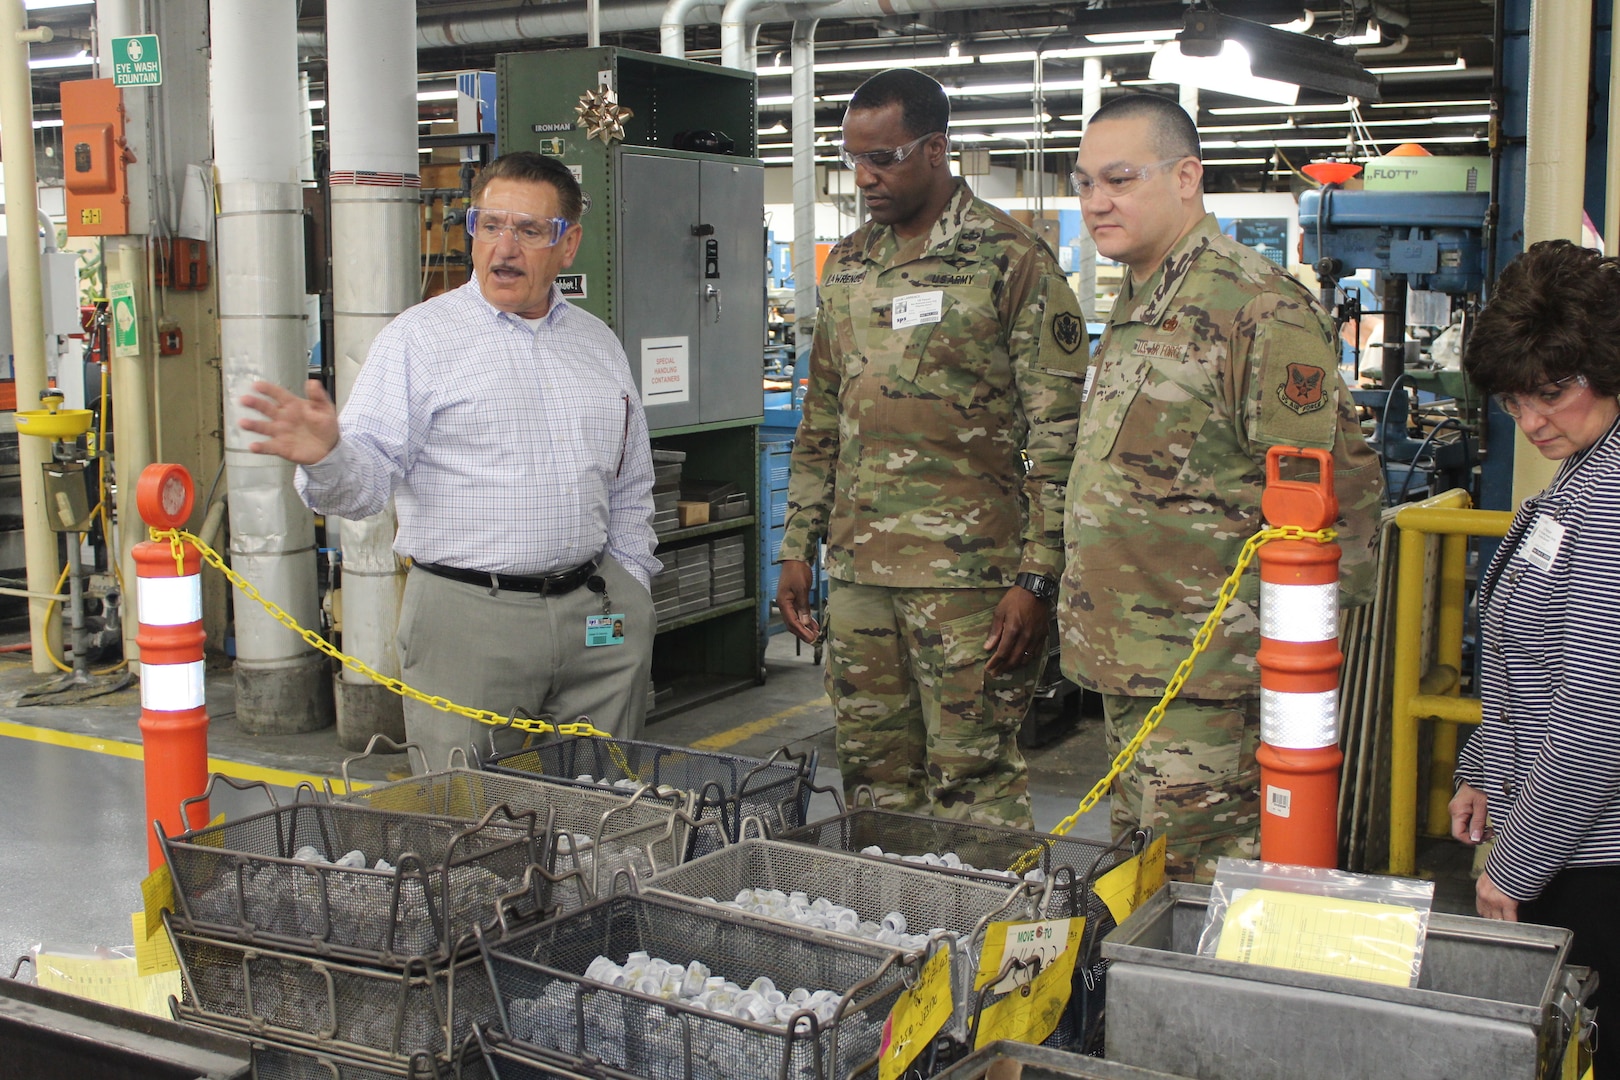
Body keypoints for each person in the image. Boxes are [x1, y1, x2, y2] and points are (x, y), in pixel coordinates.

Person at [239, 151, 660, 771]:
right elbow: (361, 490)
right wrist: (328, 457)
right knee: (468, 820)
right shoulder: (419, 341)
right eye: (489, 225)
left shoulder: (597, 344)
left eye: (529, 230)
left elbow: (631, 483)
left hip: (597, 613)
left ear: (567, 245)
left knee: (603, 806)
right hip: (467, 621)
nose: (504, 247)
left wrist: (633, 588)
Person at [1058, 94, 1384, 882]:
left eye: (1120, 179)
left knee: (1210, 896)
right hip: (1136, 666)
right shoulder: (1140, 301)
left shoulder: (1256, 308)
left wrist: (1289, 675)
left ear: (1186, 178)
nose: (1096, 201)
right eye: (1084, 182)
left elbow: (1330, 503)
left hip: (1211, 683)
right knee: (1143, 887)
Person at [776, 68, 1086, 827]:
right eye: (854, 160)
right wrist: (796, 545)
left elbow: (1058, 440)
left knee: (972, 784)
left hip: (971, 581)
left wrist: (1038, 579)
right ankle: (897, 933)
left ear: (937, 149)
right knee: (873, 775)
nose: (865, 178)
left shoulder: (1011, 261)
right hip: (858, 574)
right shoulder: (847, 264)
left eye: (883, 158)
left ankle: (988, 942)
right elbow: (823, 420)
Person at [1450, 239, 1620, 1073]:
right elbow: (1533, 651)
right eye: (1515, 402)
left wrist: (1514, 867)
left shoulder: (1612, 497)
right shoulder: (1585, 471)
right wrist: (1486, 762)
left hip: (1596, 858)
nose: (1533, 422)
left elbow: (1596, 715)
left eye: (1552, 394)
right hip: (1563, 836)